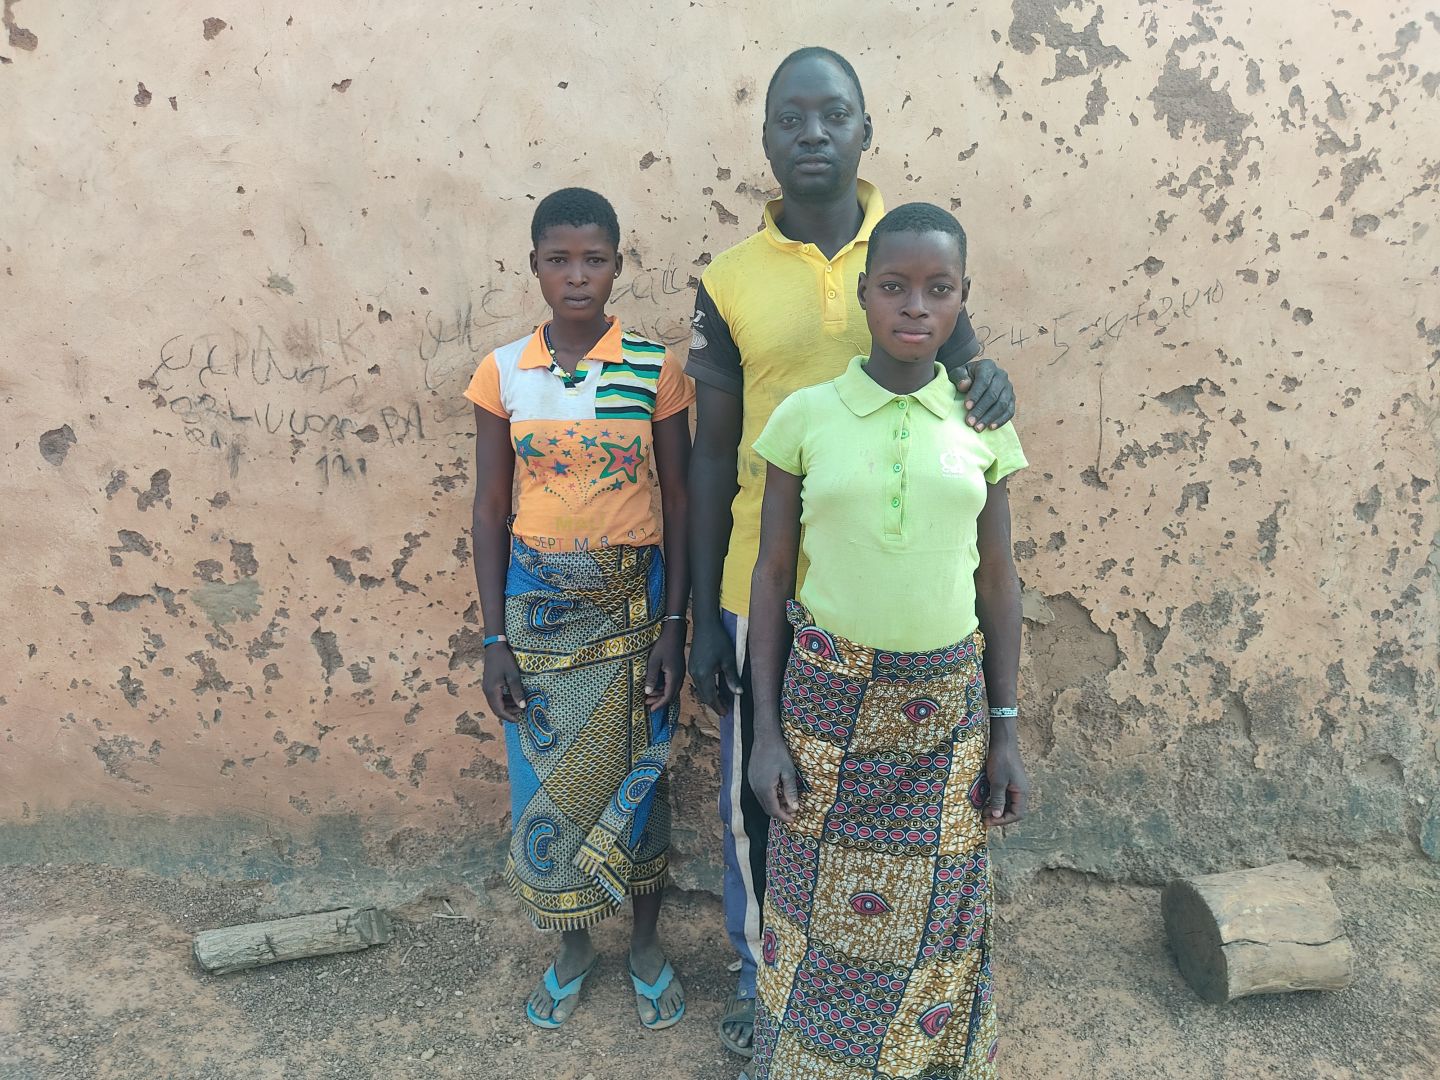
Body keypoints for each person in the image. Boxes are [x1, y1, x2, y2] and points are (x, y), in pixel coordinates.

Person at [685, 46, 1019, 1064]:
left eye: (834, 115)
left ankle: (887, 1009)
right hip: (763, 574)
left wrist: (993, 375)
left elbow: (969, 377)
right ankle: (764, 985)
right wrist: (701, 616)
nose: (813, 135)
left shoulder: (911, 250)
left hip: (895, 588)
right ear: (765, 139)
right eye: (791, 118)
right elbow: (711, 454)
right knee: (767, 800)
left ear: (866, 131)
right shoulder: (729, 281)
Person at [744, 202, 1029, 1079]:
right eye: (896, 287)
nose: (915, 306)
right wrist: (764, 733)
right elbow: (771, 575)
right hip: (827, 711)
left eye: (938, 289)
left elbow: (998, 581)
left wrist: (1007, 729)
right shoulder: (805, 416)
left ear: (962, 299)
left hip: (947, 716)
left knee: (941, 917)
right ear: (866, 294)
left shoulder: (982, 422)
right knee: (811, 915)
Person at [466, 188, 692, 1032]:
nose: (576, 275)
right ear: (533, 265)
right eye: (558, 259)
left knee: (641, 780)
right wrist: (494, 637)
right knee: (547, 784)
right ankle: (571, 947)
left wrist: (676, 627)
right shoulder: (502, 373)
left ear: (617, 266)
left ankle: (645, 944)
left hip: (635, 606)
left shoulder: (654, 369)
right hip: (537, 611)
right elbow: (491, 508)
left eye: (594, 259)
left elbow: (679, 501)